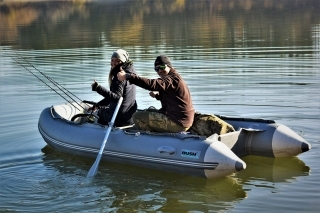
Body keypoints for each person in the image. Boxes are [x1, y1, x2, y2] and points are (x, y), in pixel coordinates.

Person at [117, 55, 194, 133]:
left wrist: (129, 76)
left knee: (137, 116)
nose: (159, 71)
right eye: (156, 69)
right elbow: (174, 99)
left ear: (169, 66)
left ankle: (151, 138)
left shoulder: (172, 79)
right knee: (148, 111)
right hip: (181, 119)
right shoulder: (173, 78)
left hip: (178, 123)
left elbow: (153, 84)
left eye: (162, 67)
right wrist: (158, 96)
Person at [89, 49, 137, 127]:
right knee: (102, 109)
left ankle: (97, 132)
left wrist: (98, 88)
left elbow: (116, 98)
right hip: (130, 118)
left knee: (101, 112)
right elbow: (115, 97)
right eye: (112, 60)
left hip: (117, 118)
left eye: (117, 61)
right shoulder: (131, 75)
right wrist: (98, 105)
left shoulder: (119, 77)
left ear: (123, 62)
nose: (114, 63)